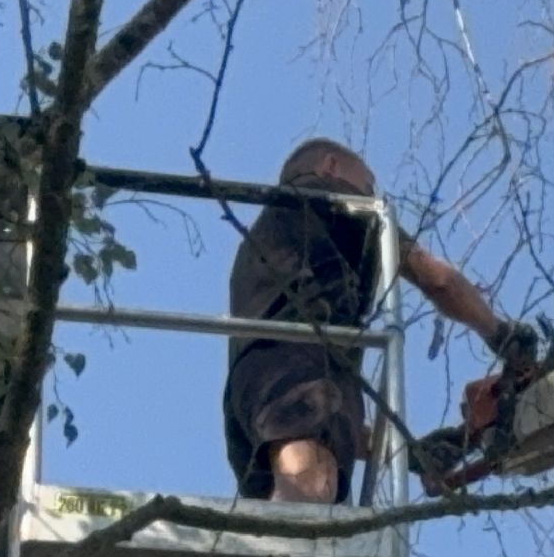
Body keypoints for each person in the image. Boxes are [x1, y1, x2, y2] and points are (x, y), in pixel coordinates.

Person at [223, 138, 537, 504]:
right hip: (300, 364)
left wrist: (408, 452)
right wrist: (502, 335)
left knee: (303, 518)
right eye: (369, 183)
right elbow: (437, 279)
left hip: (248, 396)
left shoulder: (274, 250)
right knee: (312, 495)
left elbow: (319, 414)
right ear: (330, 166)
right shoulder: (333, 199)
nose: (374, 195)